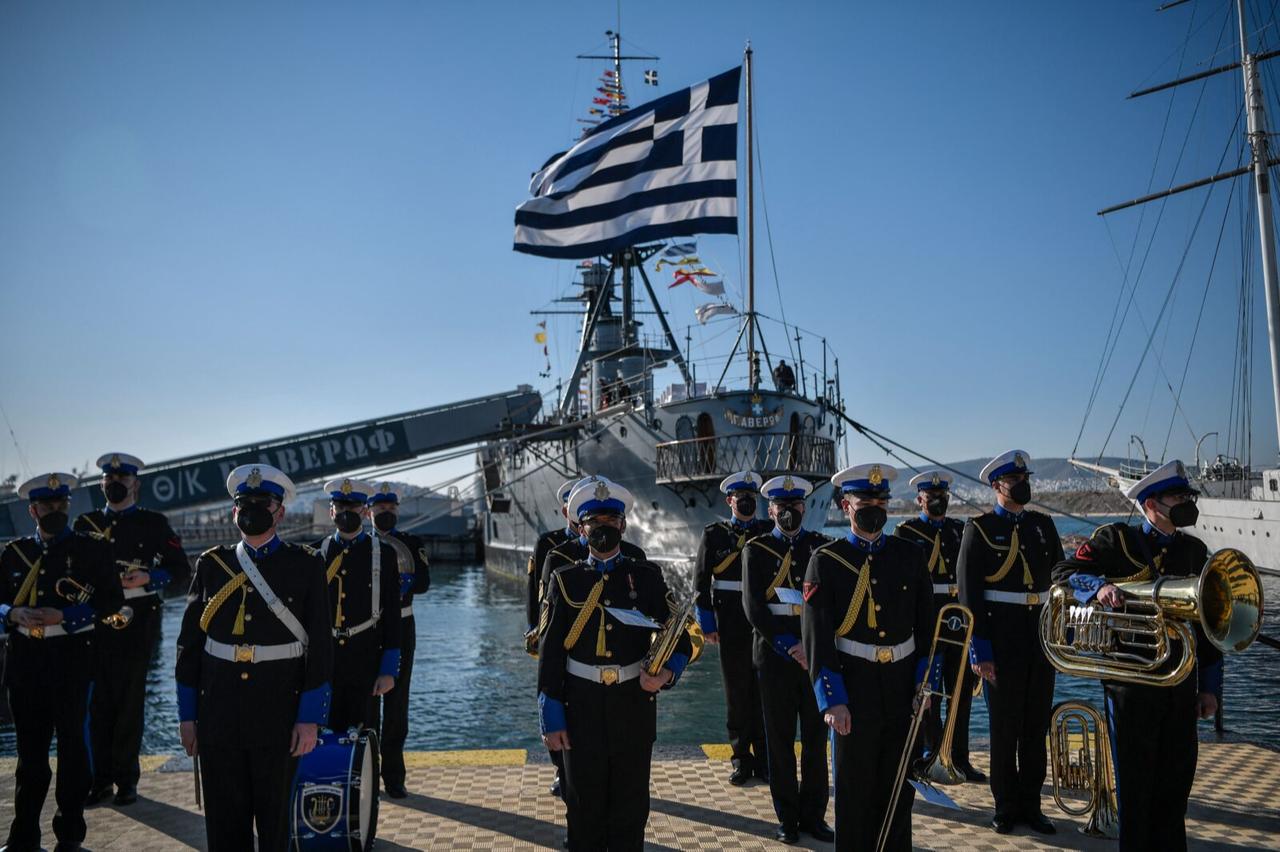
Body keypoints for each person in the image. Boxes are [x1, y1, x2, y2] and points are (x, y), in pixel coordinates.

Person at [1052, 460, 1221, 851]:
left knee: (1175, 788)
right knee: (1136, 787)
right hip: (1130, 687)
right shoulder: (1117, 540)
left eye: (1187, 496)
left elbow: (1209, 628)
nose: (1185, 503)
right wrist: (1097, 587)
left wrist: (1210, 687)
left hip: (1180, 684)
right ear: (1151, 504)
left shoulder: (1195, 551)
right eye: (1178, 497)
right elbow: (1063, 571)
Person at [175, 464, 333, 852]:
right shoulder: (213, 565)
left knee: (275, 824)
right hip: (219, 714)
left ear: (280, 513)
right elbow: (189, 646)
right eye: (245, 504)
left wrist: (309, 718)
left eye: (263, 503)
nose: (253, 510)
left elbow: (321, 646)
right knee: (225, 826)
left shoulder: (306, 563)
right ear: (234, 512)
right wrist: (187, 716)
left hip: (278, 712)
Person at [537, 478, 691, 851]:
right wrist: (551, 715)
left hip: (633, 707)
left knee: (630, 811)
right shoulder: (565, 580)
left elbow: (682, 638)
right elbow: (551, 652)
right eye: (594, 522)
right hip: (580, 707)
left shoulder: (648, 578)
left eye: (610, 520)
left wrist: (668, 673)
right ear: (580, 528)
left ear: (623, 525)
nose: (602, 528)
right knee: (583, 811)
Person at [804, 464, 936, 851]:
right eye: (866, 502)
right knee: (854, 792)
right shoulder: (826, 561)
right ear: (846, 506)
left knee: (899, 791)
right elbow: (817, 639)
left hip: (902, 688)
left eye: (881, 501)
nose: (875, 508)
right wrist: (833, 700)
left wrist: (924, 682)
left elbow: (927, 629)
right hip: (854, 686)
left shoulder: (910, 555)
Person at [2, 472, 120, 852]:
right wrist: (11, 614)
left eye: (61, 505)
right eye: (47, 506)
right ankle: (23, 838)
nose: (55, 511)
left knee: (73, 753)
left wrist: (67, 617)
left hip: (72, 661)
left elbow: (112, 601)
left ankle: (69, 836)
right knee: (30, 757)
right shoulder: (14, 553)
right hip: (26, 663)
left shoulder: (91, 550)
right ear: (32, 510)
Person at [957, 450, 1061, 835]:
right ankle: (1005, 806)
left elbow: (1059, 581)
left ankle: (1032, 807)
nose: (1023, 484)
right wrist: (979, 651)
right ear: (997, 485)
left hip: (1040, 640)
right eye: (1015, 479)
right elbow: (969, 597)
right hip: (1000, 643)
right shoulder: (979, 529)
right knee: (1004, 729)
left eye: (1025, 477)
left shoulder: (1043, 526)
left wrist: (1061, 637)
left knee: (1035, 729)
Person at [76, 452, 189, 807]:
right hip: (94, 625)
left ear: (135, 484)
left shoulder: (153, 524)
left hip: (137, 622)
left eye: (121, 481)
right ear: (101, 484)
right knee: (97, 707)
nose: (115, 485)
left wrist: (149, 577)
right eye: (109, 481)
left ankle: (126, 781)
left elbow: (180, 570)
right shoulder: (86, 523)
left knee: (128, 705)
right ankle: (99, 781)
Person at [742, 475, 833, 844]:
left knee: (815, 741)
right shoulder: (756, 549)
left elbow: (828, 606)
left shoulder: (821, 549)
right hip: (775, 659)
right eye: (781, 508)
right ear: (771, 510)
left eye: (795, 507)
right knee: (779, 742)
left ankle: (815, 816)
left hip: (812, 660)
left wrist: (809, 649)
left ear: (804, 508)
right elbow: (753, 607)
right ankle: (787, 819)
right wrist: (789, 646)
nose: (789, 513)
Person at [892, 470, 984, 782]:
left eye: (942, 497)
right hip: (928, 618)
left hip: (959, 619)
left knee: (961, 691)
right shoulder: (906, 532)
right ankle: (929, 754)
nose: (938, 501)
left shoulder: (960, 530)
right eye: (931, 498)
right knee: (926, 690)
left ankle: (959, 758)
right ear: (919, 500)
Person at [693, 470, 772, 786]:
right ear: (729, 500)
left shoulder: (768, 532)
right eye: (741, 498)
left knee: (764, 690)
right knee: (737, 690)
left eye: (751, 498)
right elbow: (701, 582)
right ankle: (741, 759)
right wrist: (708, 623)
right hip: (729, 619)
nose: (746, 503)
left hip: (764, 617)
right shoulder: (714, 534)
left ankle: (767, 759)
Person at [312, 478, 400, 734]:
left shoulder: (384, 554)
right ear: (331, 511)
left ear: (364, 510)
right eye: (341, 507)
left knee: (365, 733)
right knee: (320, 732)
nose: (346, 513)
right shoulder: (315, 554)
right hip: (324, 657)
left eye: (353, 507)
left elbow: (392, 615)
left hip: (366, 656)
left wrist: (388, 669)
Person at [367, 482, 431, 800]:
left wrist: (403, 580)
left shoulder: (410, 542)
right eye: (381, 510)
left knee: (396, 706)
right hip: (366, 630)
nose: (386, 514)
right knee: (366, 705)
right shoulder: (360, 545)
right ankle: (364, 773)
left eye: (391, 510)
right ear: (370, 512)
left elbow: (424, 583)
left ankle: (393, 776)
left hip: (403, 626)